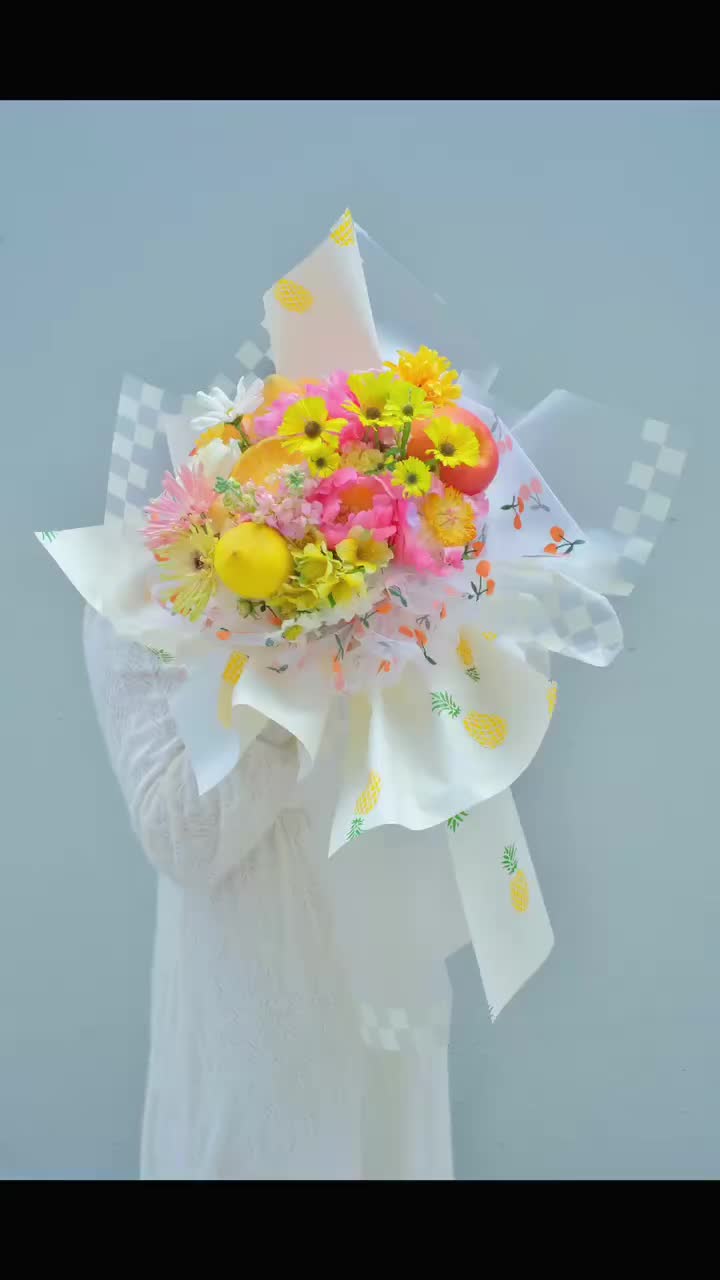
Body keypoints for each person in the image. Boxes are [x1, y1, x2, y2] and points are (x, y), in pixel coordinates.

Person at [83, 604, 466, 1180]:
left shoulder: (403, 581)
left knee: (389, 1143)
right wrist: (293, 673)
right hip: (258, 1000)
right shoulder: (135, 596)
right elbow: (181, 837)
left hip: (387, 982)